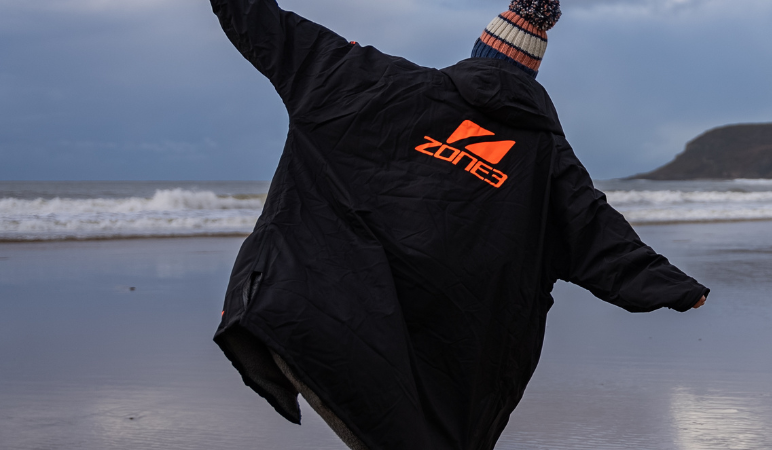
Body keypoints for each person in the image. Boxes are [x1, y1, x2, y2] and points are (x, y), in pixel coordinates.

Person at [207, 1, 709, 448]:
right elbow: (601, 236)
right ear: (532, 75)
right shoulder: (545, 160)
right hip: (441, 370)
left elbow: (272, 30)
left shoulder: (376, 82)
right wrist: (676, 287)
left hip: (323, 312)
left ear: (478, 51)